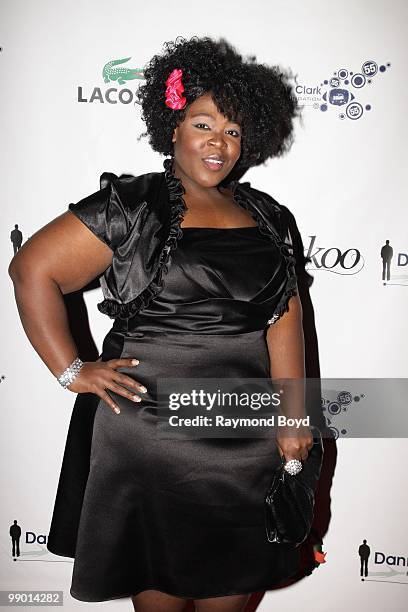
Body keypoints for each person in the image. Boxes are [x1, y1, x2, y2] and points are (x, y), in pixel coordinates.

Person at [8, 36, 314, 612]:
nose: (219, 143)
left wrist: (295, 416)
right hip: (149, 436)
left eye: (233, 131)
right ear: (171, 127)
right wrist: (71, 370)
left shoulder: (270, 216)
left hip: (246, 434)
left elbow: (285, 317)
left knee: (233, 586)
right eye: (203, 124)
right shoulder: (132, 205)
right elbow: (32, 271)